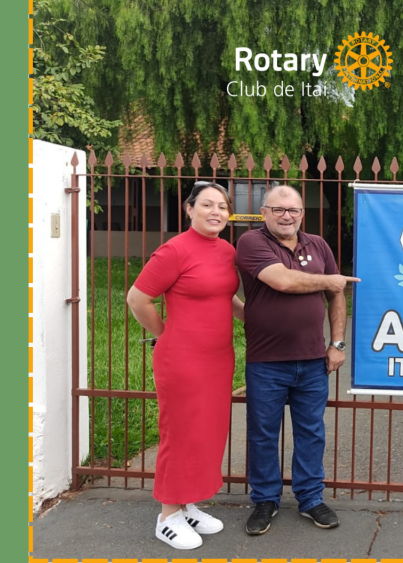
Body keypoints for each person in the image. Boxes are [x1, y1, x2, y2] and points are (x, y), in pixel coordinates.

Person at [127, 181, 246, 550]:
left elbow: (224, 296)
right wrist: (166, 334)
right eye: (207, 204)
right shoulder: (174, 250)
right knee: (180, 433)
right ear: (189, 209)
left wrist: (257, 320)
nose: (216, 212)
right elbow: (137, 299)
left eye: (222, 206)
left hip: (218, 358)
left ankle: (187, 504)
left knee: (207, 432)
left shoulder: (226, 250)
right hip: (182, 358)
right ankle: (168, 515)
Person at [235, 185, 360, 536]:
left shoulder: (318, 245)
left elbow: (336, 295)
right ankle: (265, 499)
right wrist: (330, 279)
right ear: (264, 212)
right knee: (263, 434)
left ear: (302, 213)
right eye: (278, 209)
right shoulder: (251, 242)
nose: (286, 216)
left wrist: (337, 343)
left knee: (311, 432)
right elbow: (283, 281)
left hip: (313, 361)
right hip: (266, 362)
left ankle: (310, 498)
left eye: (293, 210)